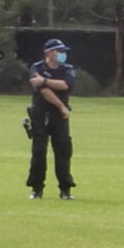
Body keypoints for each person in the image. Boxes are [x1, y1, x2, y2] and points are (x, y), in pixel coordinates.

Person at [24, 38, 76, 199]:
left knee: (63, 151)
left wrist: (45, 81)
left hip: (59, 118)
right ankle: (36, 188)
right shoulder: (36, 67)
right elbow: (43, 91)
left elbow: (66, 85)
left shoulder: (68, 69)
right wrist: (61, 106)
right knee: (39, 151)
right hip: (41, 114)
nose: (63, 54)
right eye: (59, 51)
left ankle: (65, 189)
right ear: (49, 52)